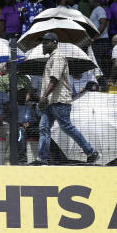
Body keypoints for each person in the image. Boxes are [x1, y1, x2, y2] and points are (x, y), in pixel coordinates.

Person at [34, 33, 101, 165]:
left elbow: (54, 79)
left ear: (54, 43)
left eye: (46, 42)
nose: (43, 44)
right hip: (51, 101)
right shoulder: (52, 58)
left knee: (66, 126)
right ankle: (42, 158)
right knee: (44, 127)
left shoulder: (58, 57)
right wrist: (45, 98)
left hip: (59, 100)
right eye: (43, 42)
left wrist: (43, 96)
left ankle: (91, 152)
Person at [88, 0, 110, 75]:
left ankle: (103, 81)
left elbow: (103, 24)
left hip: (101, 40)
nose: (88, 4)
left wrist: (94, 37)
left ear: (95, 2)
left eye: (89, 2)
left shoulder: (99, 9)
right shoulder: (94, 11)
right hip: (98, 40)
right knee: (98, 60)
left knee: (98, 61)